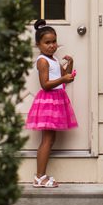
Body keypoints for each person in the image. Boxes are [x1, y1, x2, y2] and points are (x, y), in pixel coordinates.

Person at [26, 19, 78, 187]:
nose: (52, 45)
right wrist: (63, 77)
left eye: (54, 41)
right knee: (47, 140)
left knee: (50, 139)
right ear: (38, 44)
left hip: (57, 100)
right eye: (47, 42)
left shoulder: (54, 59)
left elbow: (65, 79)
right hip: (49, 102)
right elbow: (46, 84)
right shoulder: (43, 61)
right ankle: (39, 177)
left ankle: (41, 176)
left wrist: (70, 65)